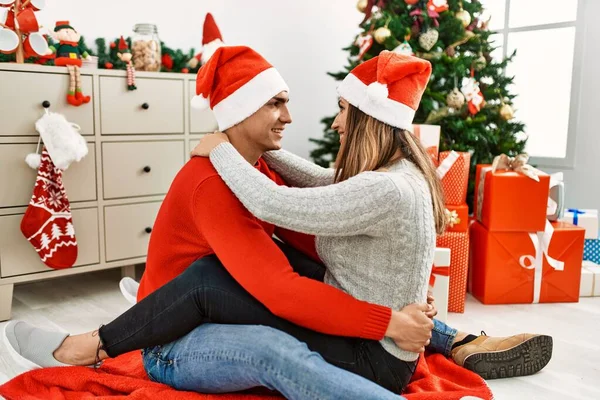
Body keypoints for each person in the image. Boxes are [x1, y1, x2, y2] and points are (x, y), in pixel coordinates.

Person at [4, 46, 552, 398]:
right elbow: (286, 268)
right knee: (239, 306)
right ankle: (93, 343)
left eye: (340, 111)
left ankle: (444, 337)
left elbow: (298, 223)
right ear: (241, 111)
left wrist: (397, 306)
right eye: (277, 104)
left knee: (241, 280)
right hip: (175, 338)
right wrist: (390, 318)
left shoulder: (309, 177)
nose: (299, 117)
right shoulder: (217, 182)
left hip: (329, 338)